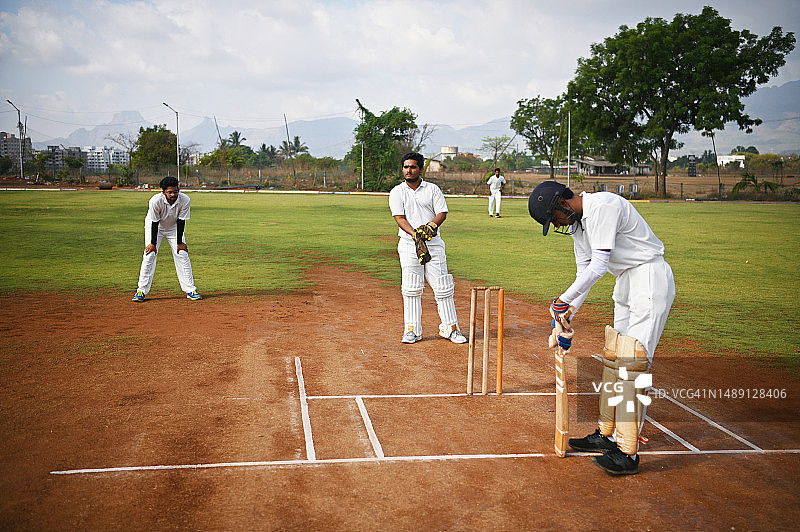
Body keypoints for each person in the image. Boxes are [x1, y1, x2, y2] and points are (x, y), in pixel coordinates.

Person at [528, 181, 675, 475]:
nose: (556, 224)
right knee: (614, 359)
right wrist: (566, 316)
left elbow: (598, 266)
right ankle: (607, 436)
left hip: (649, 278)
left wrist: (561, 301)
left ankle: (628, 453)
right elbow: (583, 272)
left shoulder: (603, 206)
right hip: (626, 282)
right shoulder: (579, 226)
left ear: (562, 203)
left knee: (632, 364)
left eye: (553, 218)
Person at [389, 152, 468, 344]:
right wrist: (415, 234)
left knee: (443, 286)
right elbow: (399, 218)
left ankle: (451, 329)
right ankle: (412, 330)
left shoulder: (432, 189)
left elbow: (442, 213)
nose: (409, 170)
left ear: (420, 169)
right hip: (409, 244)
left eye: (413, 167)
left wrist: (431, 226)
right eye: (406, 167)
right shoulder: (397, 192)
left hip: (433, 244)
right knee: (411, 287)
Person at [132, 176, 202, 302]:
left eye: (175, 191)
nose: (173, 195)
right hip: (155, 227)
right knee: (149, 255)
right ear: (163, 192)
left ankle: (190, 290)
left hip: (174, 228)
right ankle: (141, 291)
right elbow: (154, 222)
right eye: (170, 192)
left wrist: (179, 243)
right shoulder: (155, 201)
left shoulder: (185, 200)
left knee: (182, 254)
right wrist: (153, 244)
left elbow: (181, 221)